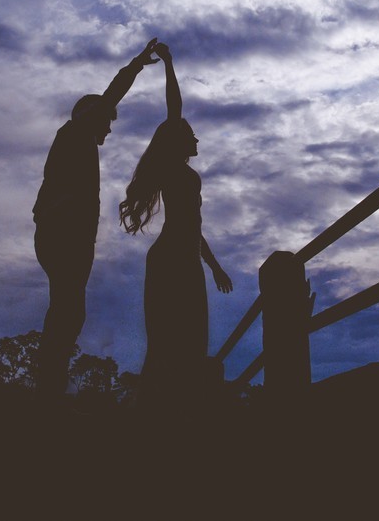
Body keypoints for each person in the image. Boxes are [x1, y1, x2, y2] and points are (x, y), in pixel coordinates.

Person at [33, 38, 161, 396]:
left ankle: (50, 388)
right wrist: (136, 65)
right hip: (63, 235)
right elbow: (110, 95)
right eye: (106, 121)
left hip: (69, 235)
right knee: (68, 311)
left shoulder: (80, 142)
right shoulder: (75, 133)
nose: (109, 129)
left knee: (69, 311)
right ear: (93, 116)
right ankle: (48, 393)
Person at [119, 43, 232, 408]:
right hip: (172, 260)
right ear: (178, 139)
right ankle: (158, 416)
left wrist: (213, 264)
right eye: (191, 133)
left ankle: (179, 412)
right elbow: (174, 111)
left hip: (185, 259)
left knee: (192, 343)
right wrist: (169, 63)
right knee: (169, 343)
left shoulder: (186, 175)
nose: (197, 138)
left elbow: (192, 224)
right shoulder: (171, 168)